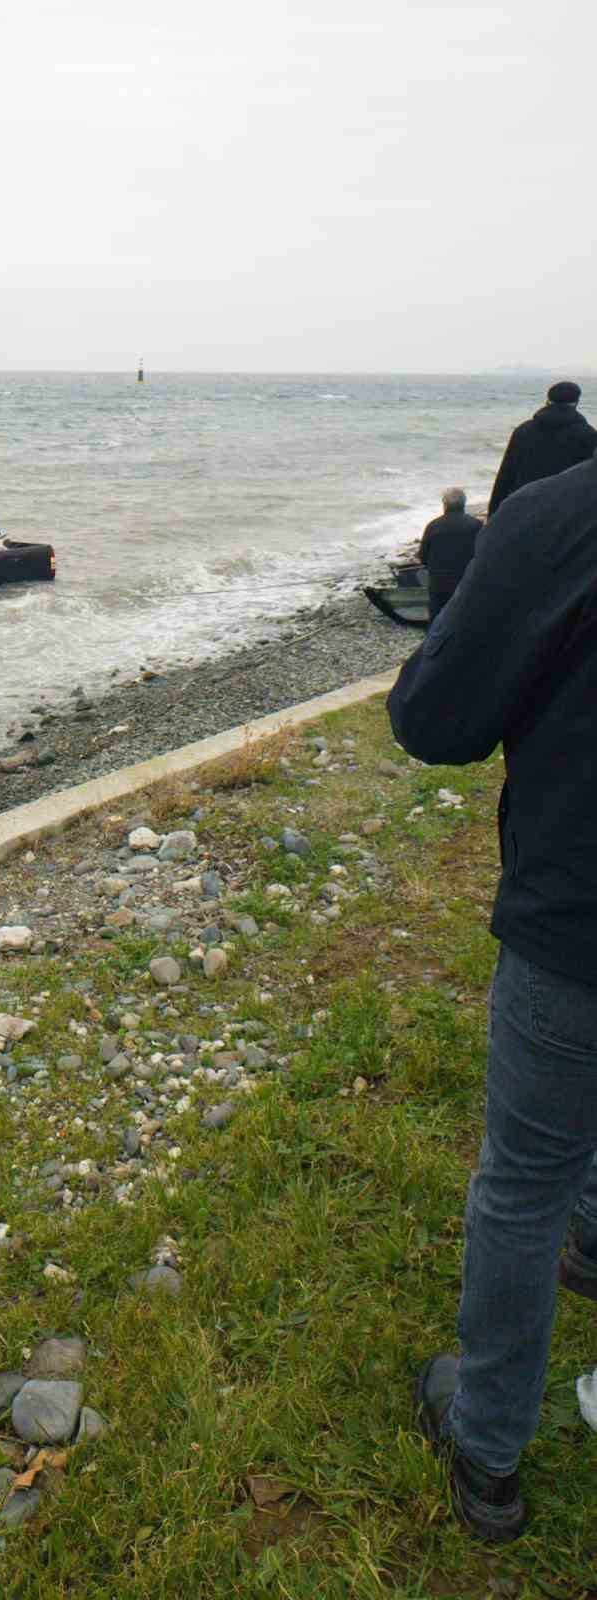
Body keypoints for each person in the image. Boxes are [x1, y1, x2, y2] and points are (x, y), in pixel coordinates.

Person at [388, 442, 597, 1543]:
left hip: (576, 924)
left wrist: (455, 595)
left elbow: (434, 719)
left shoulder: (556, 519)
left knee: (521, 1187)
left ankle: (487, 1452)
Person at [489, 380, 597, 514]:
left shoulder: (523, 431)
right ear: (576, 403)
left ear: (548, 401)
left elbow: (505, 476)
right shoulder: (588, 435)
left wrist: (493, 513)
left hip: (523, 508)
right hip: (566, 513)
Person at [417, 488, 483, 620]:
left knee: (437, 621)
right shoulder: (476, 525)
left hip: (439, 584)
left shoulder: (433, 526)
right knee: (465, 620)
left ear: (445, 504)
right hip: (466, 582)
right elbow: (483, 554)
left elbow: (423, 557)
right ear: (464, 504)